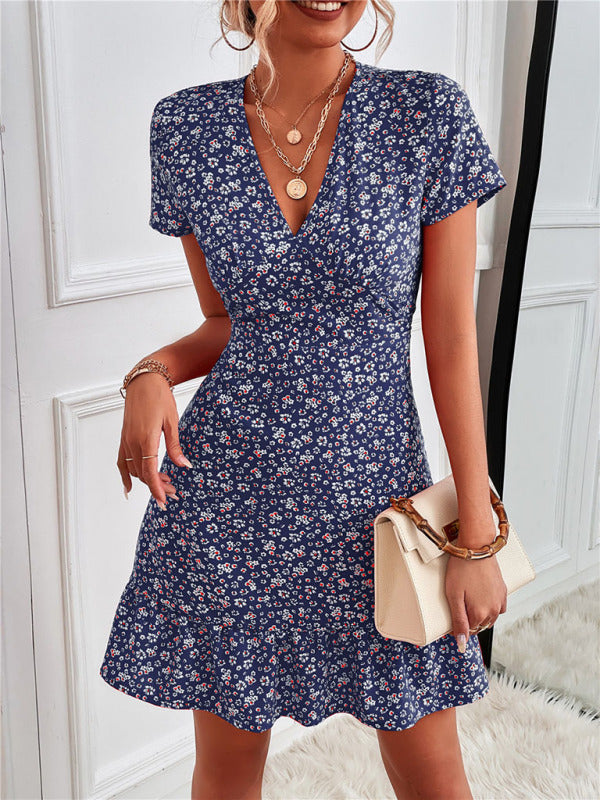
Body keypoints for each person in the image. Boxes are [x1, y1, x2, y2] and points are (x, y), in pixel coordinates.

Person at [99, 1, 509, 797]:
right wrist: (151, 371)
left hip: (379, 510)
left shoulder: (425, 116)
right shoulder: (185, 129)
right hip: (228, 507)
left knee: (433, 774)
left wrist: (476, 534)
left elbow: (452, 340)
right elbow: (228, 323)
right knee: (226, 772)